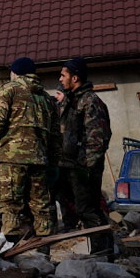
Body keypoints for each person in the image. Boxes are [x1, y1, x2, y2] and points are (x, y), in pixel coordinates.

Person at [0, 57, 60, 243]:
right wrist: (54, 163)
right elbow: (56, 136)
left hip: (10, 159)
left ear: (15, 73)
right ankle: (44, 253)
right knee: (41, 207)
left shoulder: (9, 90)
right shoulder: (47, 99)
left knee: (10, 206)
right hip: (39, 160)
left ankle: (14, 254)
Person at [57, 57, 113, 254]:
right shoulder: (70, 100)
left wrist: (86, 166)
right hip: (69, 165)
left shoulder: (90, 101)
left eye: (63, 75)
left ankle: (103, 250)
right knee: (76, 207)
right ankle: (97, 247)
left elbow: (98, 137)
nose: (60, 79)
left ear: (75, 78)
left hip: (84, 167)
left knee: (88, 209)